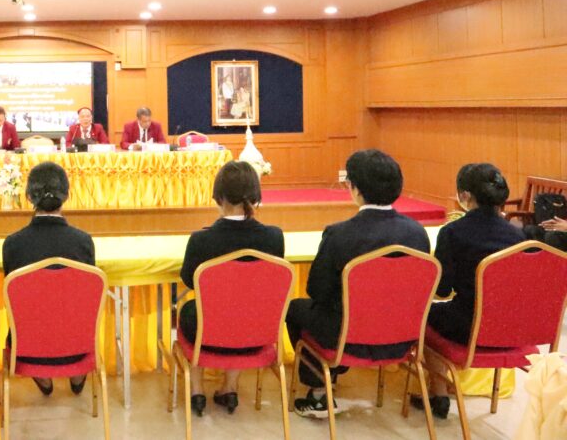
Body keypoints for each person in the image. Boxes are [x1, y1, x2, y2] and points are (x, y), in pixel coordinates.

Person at [285, 149, 430, 418]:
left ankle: (320, 390)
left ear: (354, 188)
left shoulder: (339, 234)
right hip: (402, 336)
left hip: (347, 336)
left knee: (295, 309)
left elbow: (316, 290)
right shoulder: (417, 233)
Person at [412, 163, 525, 419]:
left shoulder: (453, 232)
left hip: (469, 326)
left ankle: (438, 392)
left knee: (424, 314)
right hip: (513, 327)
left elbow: (442, 290)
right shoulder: (519, 237)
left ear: (464, 196)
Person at [178, 161, 284, 417]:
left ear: (219, 196)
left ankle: (196, 390)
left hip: (207, 332)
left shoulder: (201, 240)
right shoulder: (274, 237)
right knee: (245, 307)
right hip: (257, 331)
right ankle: (230, 387)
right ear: (255, 196)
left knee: (192, 308)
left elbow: (189, 280)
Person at [2, 162, 95, 396]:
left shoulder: (13, 244)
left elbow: (12, 297)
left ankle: (42, 374)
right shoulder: (83, 241)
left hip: (26, 346)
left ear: (28, 196)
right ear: (67, 195)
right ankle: (76, 371)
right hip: (78, 344)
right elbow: (87, 298)